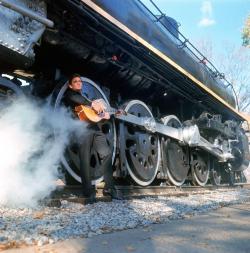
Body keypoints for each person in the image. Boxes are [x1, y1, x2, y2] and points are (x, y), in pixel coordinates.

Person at [64, 73, 121, 203]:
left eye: (80, 81)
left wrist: (111, 113)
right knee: (85, 159)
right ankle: (88, 193)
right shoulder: (70, 95)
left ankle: (110, 188)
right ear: (70, 85)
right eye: (76, 81)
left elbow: (99, 113)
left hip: (94, 128)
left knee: (107, 153)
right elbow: (77, 100)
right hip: (81, 130)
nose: (79, 83)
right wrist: (93, 104)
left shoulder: (84, 97)